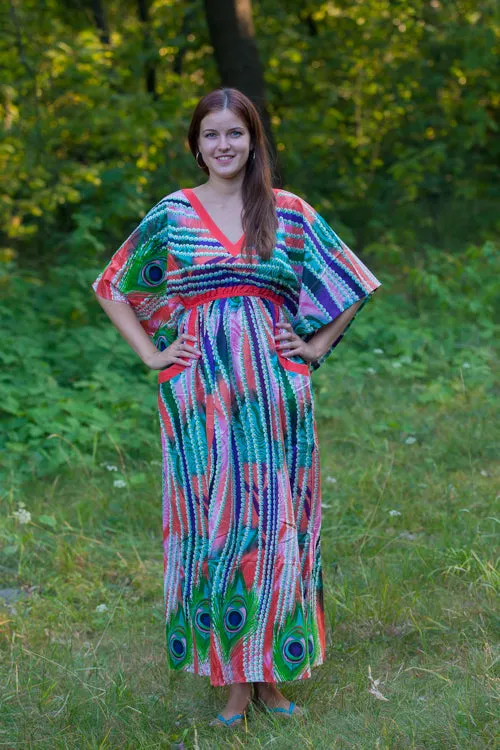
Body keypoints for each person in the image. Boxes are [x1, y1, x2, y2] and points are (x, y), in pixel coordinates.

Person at [92, 87, 382, 728]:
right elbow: (113, 285)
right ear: (195, 144)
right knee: (215, 530)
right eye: (212, 134)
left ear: (254, 141)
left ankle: (273, 672)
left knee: (277, 524)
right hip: (199, 399)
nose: (224, 145)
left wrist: (313, 345)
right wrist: (151, 354)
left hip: (276, 395)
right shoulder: (173, 214)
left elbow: (352, 280)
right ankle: (232, 683)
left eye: (236, 134)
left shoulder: (288, 213)